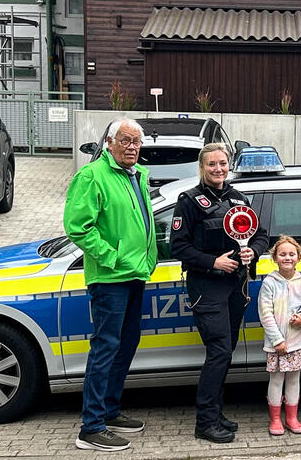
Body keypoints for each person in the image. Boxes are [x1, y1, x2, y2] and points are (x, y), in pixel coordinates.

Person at [64, 117, 158, 452]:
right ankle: (90, 428)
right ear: (109, 142)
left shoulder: (138, 175)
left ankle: (109, 410)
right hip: (109, 277)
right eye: (126, 141)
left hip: (135, 273)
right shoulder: (92, 176)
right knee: (105, 348)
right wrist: (112, 257)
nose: (132, 148)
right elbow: (77, 227)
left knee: (126, 343)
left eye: (136, 142)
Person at [171, 143, 270, 443]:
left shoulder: (239, 198)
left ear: (229, 165)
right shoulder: (187, 201)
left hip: (236, 287)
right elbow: (179, 246)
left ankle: (215, 413)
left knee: (225, 353)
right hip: (206, 286)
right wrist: (213, 261)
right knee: (219, 351)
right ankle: (205, 421)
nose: (218, 169)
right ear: (202, 167)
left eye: (223, 163)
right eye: (212, 164)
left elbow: (262, 235)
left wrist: (252, 252)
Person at [258, 235, 301, 436]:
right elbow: (265, 312)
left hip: (297, 344)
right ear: (275, 258)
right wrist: (277, 340)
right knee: (276, 380)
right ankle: (276, 419)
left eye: (291, 254)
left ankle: (292, 418)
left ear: (298, 258)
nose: (287, 257)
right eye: (282, 254)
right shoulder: (269, 282)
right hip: (277, 345)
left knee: (294, 380)